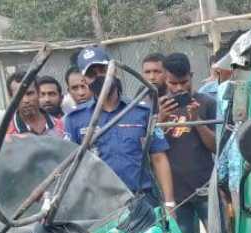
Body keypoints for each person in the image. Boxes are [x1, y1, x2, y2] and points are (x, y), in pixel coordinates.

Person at [64, 46, 174, 204]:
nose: (99, 77)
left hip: (142, 198)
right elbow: (70, 167)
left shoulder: (142, 111)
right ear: (85, 80)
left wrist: (169, 203)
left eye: (102, 70)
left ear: (113, 70)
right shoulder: (75, 120)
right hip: (101, 205)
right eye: (91, 74)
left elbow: (159, 158)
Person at [157, 52, 217, 233]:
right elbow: (152, 151)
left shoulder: (206, 103)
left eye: (184, 82)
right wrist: (161, 120)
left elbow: (216, 146)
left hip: (206, 187)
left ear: (191, 76)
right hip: (177, 194)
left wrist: (197, 122)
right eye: (173, 83)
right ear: (165, 78)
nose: (179, 89)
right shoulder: (156, 108)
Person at [6, 70, 64, 137]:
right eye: (19, 95)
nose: (26, 100)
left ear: (38, 93)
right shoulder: (5, 134)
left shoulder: (61, 126)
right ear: (11, 98)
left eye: (30, 93)